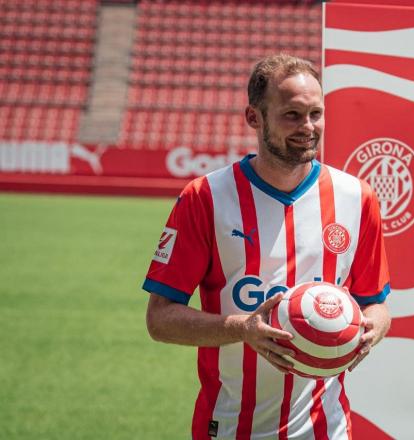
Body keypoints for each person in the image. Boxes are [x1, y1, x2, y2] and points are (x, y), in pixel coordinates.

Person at [143, 54, 391, 440]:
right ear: (253, 117)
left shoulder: (356, 198)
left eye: (316, 113)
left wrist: (371, 329)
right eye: (292, 114)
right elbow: (159, 320)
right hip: (229, 426)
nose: (307, 127)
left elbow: (376, 302)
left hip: (327, 428)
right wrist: (244, 329)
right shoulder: (205, 198)